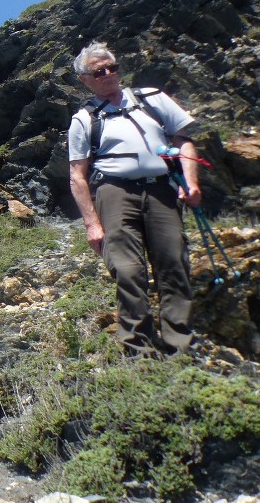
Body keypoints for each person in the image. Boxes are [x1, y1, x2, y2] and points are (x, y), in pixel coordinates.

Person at [67, 42, 202, 356]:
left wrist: (191, 183)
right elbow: (77, 175)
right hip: (114, 192)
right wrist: (92, 225)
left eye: (112, 67)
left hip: (161, 190)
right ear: (85, 79)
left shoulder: (152, 98)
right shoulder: (84, 119)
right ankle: (137, 348)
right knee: (128, 269)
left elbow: (183, 142)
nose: (109, 74)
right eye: (99, 71)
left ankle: (178, 344)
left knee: (173, 262)